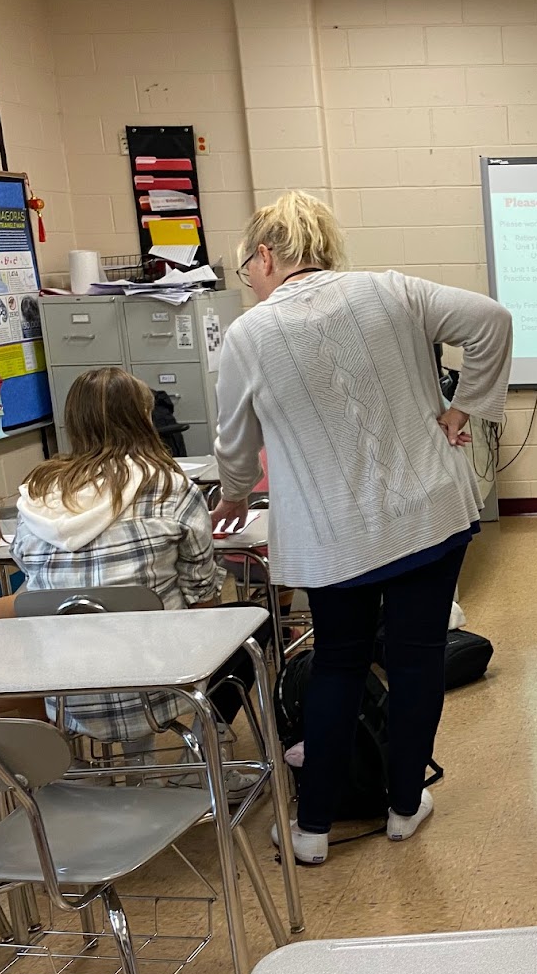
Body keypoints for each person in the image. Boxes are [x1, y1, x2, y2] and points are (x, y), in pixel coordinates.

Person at [212, 191, 512, 865]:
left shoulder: (248, 335)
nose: (250, 281)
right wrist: (464, 408)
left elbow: (235, 440)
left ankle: (314, 829)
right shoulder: (392, 290)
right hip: (428, 511)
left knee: (338, 664)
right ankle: (404, 807)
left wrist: (233, 493)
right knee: (416, 659)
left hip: (333, 534)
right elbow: (492, 321)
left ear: (267, 254)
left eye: (247, 267)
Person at [13, 367, 250, 745]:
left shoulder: (38, 491)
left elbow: (28, 572)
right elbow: (202, 595)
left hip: (63, 691)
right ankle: (205, 748)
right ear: (143, 417)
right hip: (161, 685)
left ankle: (123, 764)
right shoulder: (169, 487)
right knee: (249, 628)